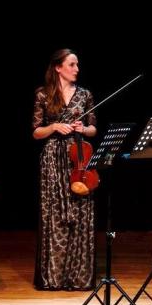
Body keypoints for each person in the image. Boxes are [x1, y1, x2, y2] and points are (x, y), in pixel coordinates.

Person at [32, 49, 97, 290]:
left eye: (77, 64)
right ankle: (54, 277)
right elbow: (36, 131)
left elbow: (93, 130)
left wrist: (82, 129)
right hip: (53, 160)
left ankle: (77, 277)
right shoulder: (43, 95)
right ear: (58, 67)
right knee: (55, 214)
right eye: (72, 64)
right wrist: (55, 127)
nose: (77, 68)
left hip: (79, 158)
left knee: (80, 213)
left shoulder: (86, 95)